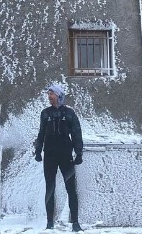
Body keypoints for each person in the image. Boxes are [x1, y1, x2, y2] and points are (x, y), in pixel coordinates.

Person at [34, 83, 83, 231]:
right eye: (48, 94)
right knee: (50, 188)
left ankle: (75, 222)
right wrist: (38, 151)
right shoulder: (45, 113)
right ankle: (50, 222)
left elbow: (76, 133)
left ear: (59, 95)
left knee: (71, 189)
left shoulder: (69, 113)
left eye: (52, 94)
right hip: (49, 156)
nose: (49, 96)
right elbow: (41, 133)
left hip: (65, 155)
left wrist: (79, 153)